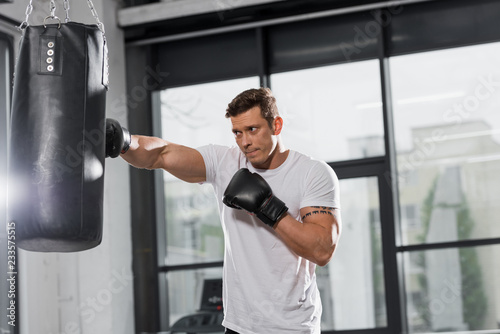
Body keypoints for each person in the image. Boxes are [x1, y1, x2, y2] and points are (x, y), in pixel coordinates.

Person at [106, 87, 342, 334]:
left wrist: (269, 208)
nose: (245, 142)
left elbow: (322, 250)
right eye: (237, 133)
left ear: (277, 125)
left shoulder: (312, 173)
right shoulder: (225, 163)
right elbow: (161, 155)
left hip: (292, 327)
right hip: (238, 326)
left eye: (253, 129)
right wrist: (124, 142)